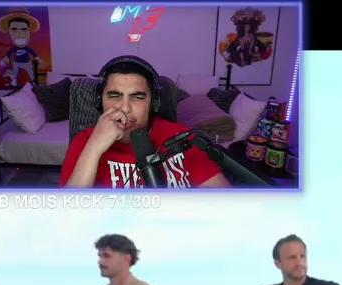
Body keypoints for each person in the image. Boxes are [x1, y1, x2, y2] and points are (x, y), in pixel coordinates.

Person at [59, 55, 231, 189]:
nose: (125, 108)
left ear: (153, 103)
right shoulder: (85, 141)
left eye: (137, 97)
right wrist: (94, 146)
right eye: (114, 95)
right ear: (99, 100)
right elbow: (68, 213)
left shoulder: (183, 139)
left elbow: (226, 203)